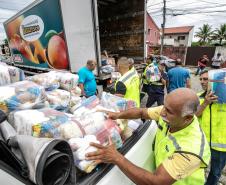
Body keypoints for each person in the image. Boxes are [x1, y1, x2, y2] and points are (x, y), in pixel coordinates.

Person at [86, 88, 210, 185]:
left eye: (169, 111)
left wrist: (116, 157)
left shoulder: (191, 149)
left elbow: (156, 182)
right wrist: (118, 115)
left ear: (188, 118)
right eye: (164, 106)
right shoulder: (169, 114)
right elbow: (141, 112)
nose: (162, 113)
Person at [196, 70, 226, 185]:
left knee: (215, 173)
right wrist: (205, 103)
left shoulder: (224, 99)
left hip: (221, 147)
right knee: (197, 169)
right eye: (201, 79)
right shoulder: (198, 97)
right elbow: (193, 116)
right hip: (202, 143)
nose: (202, 82)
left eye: (206, 79)